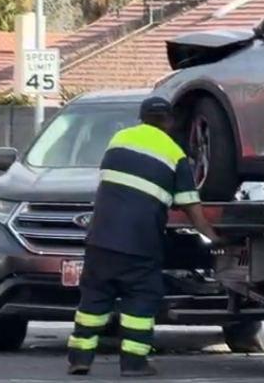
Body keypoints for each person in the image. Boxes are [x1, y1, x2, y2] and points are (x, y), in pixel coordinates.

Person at [66, 96, 223, 377]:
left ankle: (79, 359)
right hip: (139, 245)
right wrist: (213, 236)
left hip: (100, 240)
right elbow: (190, 207)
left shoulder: (119, 140)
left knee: (93, 300)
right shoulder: (175, 154)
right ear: (169, 120)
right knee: (140, 302)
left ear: (141, 117)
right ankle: (133, 364)